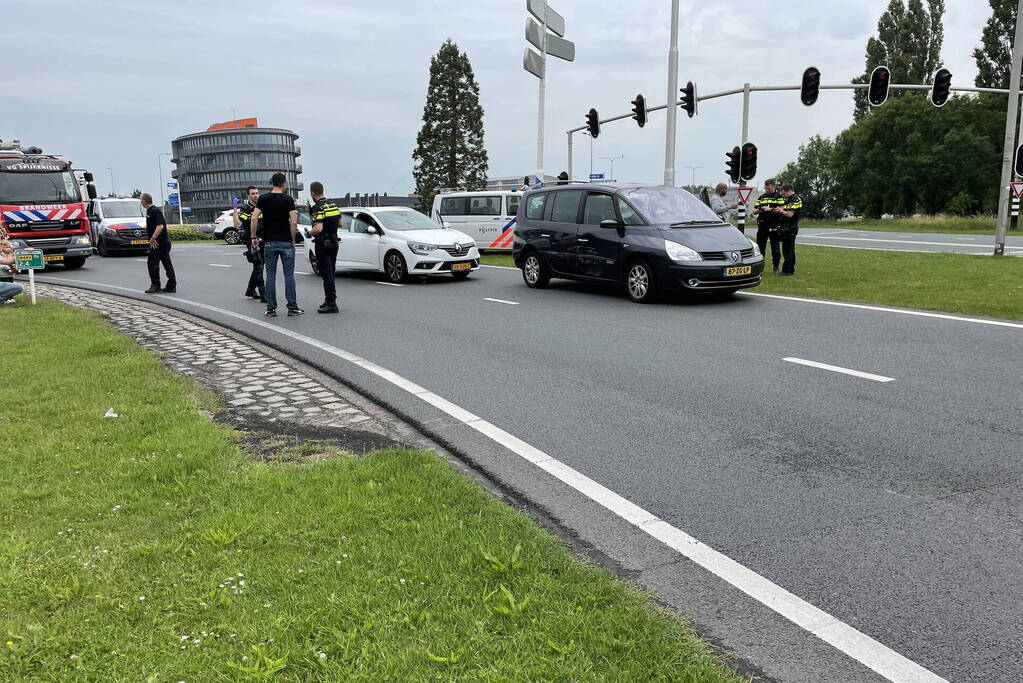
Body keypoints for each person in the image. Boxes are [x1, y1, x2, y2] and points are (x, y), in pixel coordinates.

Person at [251, 172, 302, 317]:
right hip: (286, 241)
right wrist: (292, 239)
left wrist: (253, 236)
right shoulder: (288, 200)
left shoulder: (264, 199)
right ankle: (292, 307)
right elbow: (293, 221)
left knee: (271, 275)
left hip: (269, 242)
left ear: (272, 183)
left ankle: (271, 308)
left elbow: (254, 218)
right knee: (289, 275)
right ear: (284, 184)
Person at [308, 181, 341, 314]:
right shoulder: (332, 205)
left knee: (326, 273)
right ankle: (329, 300)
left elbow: (318, 228)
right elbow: (340, 223)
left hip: (323, 244)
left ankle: (332, 303)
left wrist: (308, 233)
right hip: (334, 242)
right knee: (331, 272)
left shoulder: (318, 207)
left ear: (313, 193)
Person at [233, 185, 265, 302]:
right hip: (251, 240)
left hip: (263, 240)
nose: (255, 195)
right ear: (248, 195)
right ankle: (264, 294)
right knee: (259, 265)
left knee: (258, 267)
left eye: (257, 193)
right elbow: (237, 224)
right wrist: (235, 208)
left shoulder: (262, 206)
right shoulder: (246, 208)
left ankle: (250, 290)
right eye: (253, 193)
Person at [140, 193, 176, 294]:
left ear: (144, 201)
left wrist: (152, 238)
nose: (140, 202)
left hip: (158, 243)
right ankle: (172, 285)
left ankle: (156, 285)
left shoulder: (154, 211)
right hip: (163, 242)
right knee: (167, 263)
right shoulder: (150, 211)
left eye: (141, 200)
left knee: (152, 263)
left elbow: (160, 226)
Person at [752, 178, 783, 274]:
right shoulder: (762, 197)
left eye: (768, 189)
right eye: (766, 188)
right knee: (760, 247)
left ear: (773, 187)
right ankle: (760, 268)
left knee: (775, 247)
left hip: (774, 224)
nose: (767, 190)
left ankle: (776, 266)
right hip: (762, 224)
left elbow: (781, 209)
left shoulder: (779, 197)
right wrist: (761, 209)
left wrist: (770, 209)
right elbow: (754, 211)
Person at [777, 184, 803, 276]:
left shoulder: (795, 199)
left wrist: (781, 211)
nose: (783, 195)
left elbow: (790, 214)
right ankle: (789, 269)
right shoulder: (790, 199)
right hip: (787, 227)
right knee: (789, 249)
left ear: (788, 191)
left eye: (784, 193)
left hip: (791, 228)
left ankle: (787, 270)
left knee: (788, 250)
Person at [0, 240, 24, 304]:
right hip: (3, 276)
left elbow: (10, 262)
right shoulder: (2, 255)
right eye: (6, 247)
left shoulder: (10, 255)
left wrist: (27, 252)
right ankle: (6, 299)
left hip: (10, 275)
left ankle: (10, 298)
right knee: (15, 287)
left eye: (10, 248)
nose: (8, 249)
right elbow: (6, 263)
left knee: (13, 286)